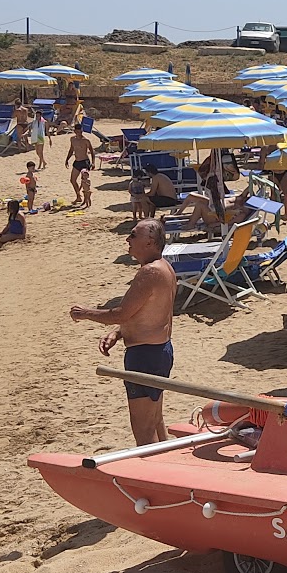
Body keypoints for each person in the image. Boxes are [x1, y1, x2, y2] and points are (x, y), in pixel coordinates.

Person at [69, 218, 177, 446]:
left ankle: (153, 478)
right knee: (155, 420)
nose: (128, 239)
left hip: (145, 356)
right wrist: (119, 333)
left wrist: (85, 313)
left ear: (149, 242)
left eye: (133, 235)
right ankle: (167, 469)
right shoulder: (165, 267)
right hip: (158, 351)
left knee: (144, 429)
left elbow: (121, 313)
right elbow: (151, 313)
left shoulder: (150, 272)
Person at [65, 124, 95, 209]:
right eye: (77, 131)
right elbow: (71, 150)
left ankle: (86, 201)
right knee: (72, 180)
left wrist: (93, 163)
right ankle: (78, 196)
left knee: (84, 181)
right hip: (77, 161)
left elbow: (92, 152)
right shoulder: (72, 139)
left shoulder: (86, 140)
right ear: (75, 131)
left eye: (80, 131)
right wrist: (67, 159)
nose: (79, 133)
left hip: (85, 162)